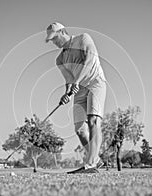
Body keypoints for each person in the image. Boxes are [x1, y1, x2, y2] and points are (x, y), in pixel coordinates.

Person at [45, 22, 106, 173]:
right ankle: (96, 160)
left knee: (93, 120)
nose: (53, 42)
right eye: (51, 40)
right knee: (79, 130)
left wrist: (77, 81)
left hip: (95, 83)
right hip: (79, 90)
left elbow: (89, 61)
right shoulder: (60, 59)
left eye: (55, 38)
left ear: (63, 32)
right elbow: (69, 80)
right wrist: (67, 94)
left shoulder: (83, 39)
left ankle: (91, 163)